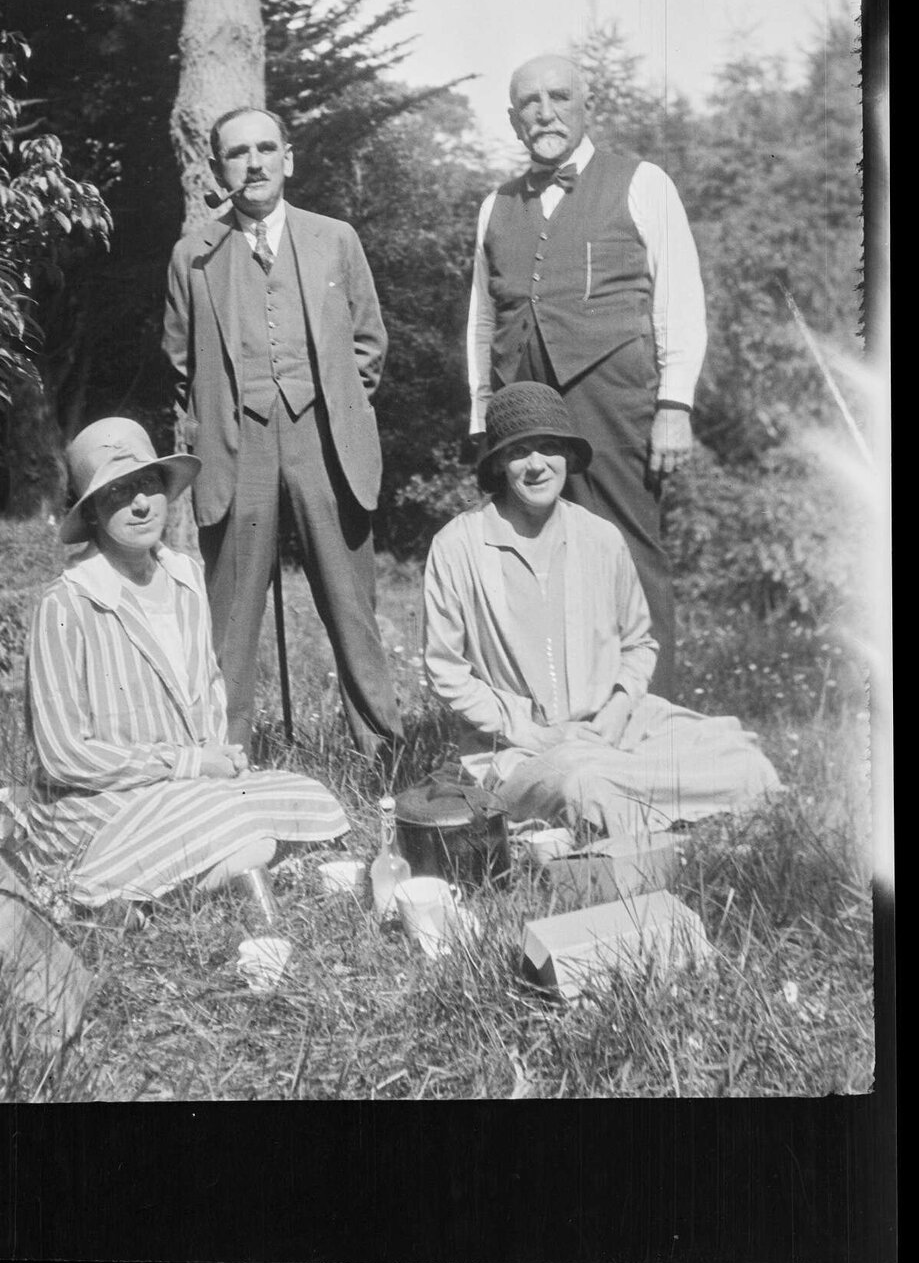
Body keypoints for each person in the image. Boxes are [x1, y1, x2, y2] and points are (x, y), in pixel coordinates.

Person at [22, 417, 350, 917]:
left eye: (149, 484)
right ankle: (113, 899)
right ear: (92, 512)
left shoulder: (186, 577)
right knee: (240, 827)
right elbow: (63, 755)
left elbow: (208, 689)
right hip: (95, 803)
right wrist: (188, 765)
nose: (140, 504)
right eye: (118, 492)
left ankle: (185, 877)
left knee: (312, 796)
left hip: (184, 791)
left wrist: (216, 758)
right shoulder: (66, 604)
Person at [424, 384, 779, 839]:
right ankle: (643, 808)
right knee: (584, 785)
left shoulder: (601, 537)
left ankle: (633, 802)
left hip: (619, 726)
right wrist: (532, 733)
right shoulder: (457, 546)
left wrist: (616, 710)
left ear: (568, 457)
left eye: (549, 447)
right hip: (521, 748)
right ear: (497, 464)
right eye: (519, 451)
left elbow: (639, 643)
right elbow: (445, 669)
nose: (537, 465)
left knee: (747, 763)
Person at [163, 107, 404, 760]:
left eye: (266, 148)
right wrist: (226, 411)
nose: (254, 163)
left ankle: (382, 755)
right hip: (235, 445)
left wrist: (332, 407)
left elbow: (368, 344)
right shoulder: (193, 256)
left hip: (322, 440)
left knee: (350, 604)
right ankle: (225, 759)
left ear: (287, 158)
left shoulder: (335, 239)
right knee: (231, 614)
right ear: (218, 170)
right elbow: (180, 363)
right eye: (238, 153)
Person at [466, 52, 707, 699]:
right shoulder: (494, 206)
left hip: (613, 398)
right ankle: (558, 716)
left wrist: (674, 405)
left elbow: (679, 297)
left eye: (559, 97)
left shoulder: (642, 183)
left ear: (585, 106)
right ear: (513, 120)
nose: (544, 112)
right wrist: (480, 412)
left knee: (628, 550)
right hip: (522, 406)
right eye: (530, 102)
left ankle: (650, 719)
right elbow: (482, 319)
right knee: (535, 556)